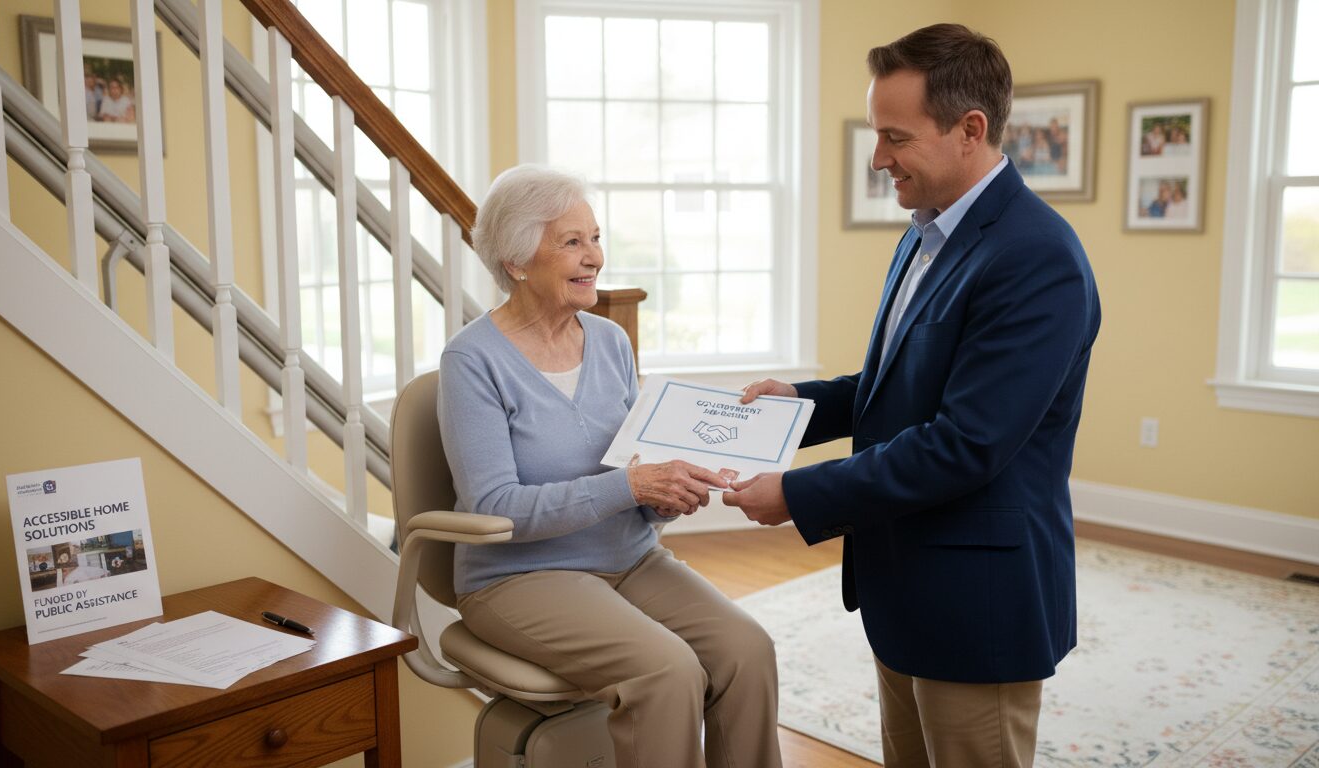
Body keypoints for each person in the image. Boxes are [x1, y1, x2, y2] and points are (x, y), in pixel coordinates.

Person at [722, 23, 1100, 768]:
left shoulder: (1036, 258)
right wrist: (798, 404)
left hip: (975, 596)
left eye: (895, 137)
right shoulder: (924, 235)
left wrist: (797, 495)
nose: (877, 158)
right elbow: (902, 385)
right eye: (876, 134)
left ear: (971, 129)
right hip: (905, 582)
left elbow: (964, 443)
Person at [439, 164, 782, 768]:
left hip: (630, 558)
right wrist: (628, 486)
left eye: (595, 237)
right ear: (516, 261)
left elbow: (633, 470)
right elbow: (494, 509)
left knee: (747, 649)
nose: (594, 256)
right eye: (571, 241)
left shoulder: (610, 341)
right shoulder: (472, 360)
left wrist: (665, 493)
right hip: (519, 577)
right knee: (667, 671)